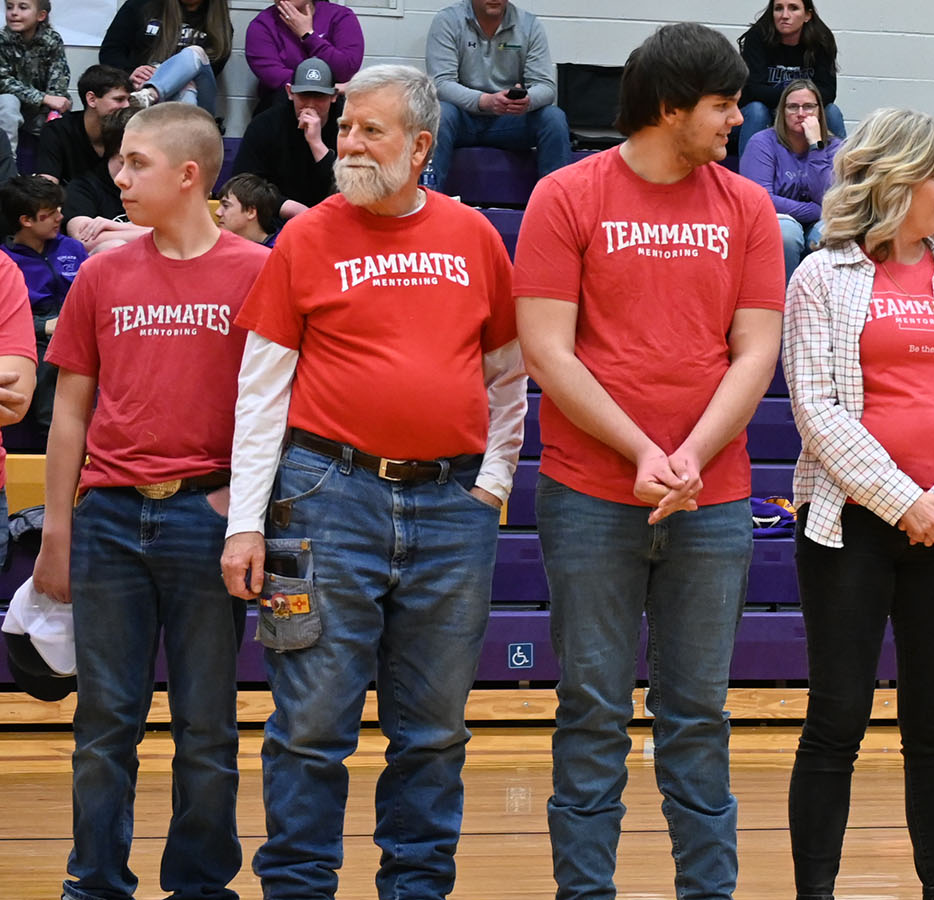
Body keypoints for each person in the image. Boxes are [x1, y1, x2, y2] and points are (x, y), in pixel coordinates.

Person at [219, 63, 526, 898]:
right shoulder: (309, 235)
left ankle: (418, 887)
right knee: (311, 727)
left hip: (451, 508)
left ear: (421, 146)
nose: (347, 142)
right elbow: (260, 394)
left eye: (368, 131)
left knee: (432, 733)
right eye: (346, 127)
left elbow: (507, 377)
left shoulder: (474, 239)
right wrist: (246, 523)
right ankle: (297, 887)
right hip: (326, 499)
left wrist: (493, 483)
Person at [511, 23, 780, 897]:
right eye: (723, 104)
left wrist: (692, 456)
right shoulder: (566, 194)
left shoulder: (747, 209)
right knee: (591, 711)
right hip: (589, 493)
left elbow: (756, 352)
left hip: (715, 496)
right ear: (670, 108)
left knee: (697, 714)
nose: (738, 119)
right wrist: (641, 451)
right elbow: (548, 350)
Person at [34, 101, 265, 900]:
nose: (119, 177)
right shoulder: (101, 274)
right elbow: (70, 409)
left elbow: (282, 401)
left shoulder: (255, 273)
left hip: (205, 522)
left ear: (188, 174)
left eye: (135, 163)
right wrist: (57, 531)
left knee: (207, 727)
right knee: (105, 726)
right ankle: (93, 882)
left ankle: (201, 884)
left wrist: (240, 501)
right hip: (109, 521)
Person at [783, 106, 934, 900]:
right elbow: (816, 410)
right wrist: (900, 502)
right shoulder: (820, 277)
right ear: (898, 179)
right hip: (847, 527)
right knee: (835, 722)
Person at [423, 0, 569, 191]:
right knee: (440, 114)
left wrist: (527, 100)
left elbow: (546, 87)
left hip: (510, 120)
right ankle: (427, 203)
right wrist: (484, 101)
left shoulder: (529, 25)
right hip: (462, 119)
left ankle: (557, 204)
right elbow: (440, 84)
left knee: (553, 117)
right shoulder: (448, 21)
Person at [2, 174, 81, 432]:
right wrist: (45, 326)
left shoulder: (72, 248)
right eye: (50, 213)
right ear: (25, 221)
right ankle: (51, 438)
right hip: (36, 330)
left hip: (79, 323)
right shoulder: (6, 261)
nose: (60, 217)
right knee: (48, 357)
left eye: (60, 209)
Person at [740, 79, 837, 277]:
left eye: (808, 107)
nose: (801, 114)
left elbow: (831, 198)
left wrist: (815, 146)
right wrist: (814, 210)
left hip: (819, 221)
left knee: (831, 234)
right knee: (786, 235)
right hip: (776, 219)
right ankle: (782, 305)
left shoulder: (834, 147)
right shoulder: (762, 143)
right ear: (782, 112)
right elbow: (761, 198)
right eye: (793, 107)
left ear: (820, 111)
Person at [227, 55, 338, 219]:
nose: (311, 104)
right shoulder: (265, 124)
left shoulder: (347, 127)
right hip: (274, 219)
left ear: (333, 96)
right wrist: (285, 206)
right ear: (290, 92)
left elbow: (351, 191)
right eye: (304, 95)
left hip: (331, 219)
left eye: (320, 96)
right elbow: (242, 184)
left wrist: (317, 145)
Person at [736, 0, 843, 153]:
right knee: (756, 111)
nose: (784, 15)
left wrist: (800, 105)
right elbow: (752, 90)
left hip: (802, 109)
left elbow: (828, 92)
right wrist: (794, 100)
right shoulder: (758, 36)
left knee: (831, 112)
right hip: (765, 109)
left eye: (793, 8)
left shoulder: (821, 39)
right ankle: (748, 173)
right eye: (778, 8)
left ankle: (841, 172)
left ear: (807, 15)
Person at [98, 0, 232, 111]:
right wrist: (131, 73)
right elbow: (110, 51)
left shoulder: (220, 25)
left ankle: (151, 93)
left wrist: (160, 75)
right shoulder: (141, 5)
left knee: (195, 55)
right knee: (187, 94)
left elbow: (211, 70)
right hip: (139, 89)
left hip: (196, 98)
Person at [63, 107, 150, 256]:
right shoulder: (82, 188)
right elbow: (86, 241)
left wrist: (113, 227)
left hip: (159, 267)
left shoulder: (159, 183)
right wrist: (160, 233)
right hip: (109, 269)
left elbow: (187, 230)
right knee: (113, 247)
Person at [243, 0, 361, 103]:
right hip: (282, 103)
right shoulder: (262, 25)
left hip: (331, 104)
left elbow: (346, 69)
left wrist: (308, 35)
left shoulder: (340, 16)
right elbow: (275, 78)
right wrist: (330, 87)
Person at [33, 66, 132, 186]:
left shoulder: (130, 132)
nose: (127, 106)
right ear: (91, 99)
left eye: (129, 100)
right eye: (119, 99)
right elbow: (47, 185)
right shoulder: (57, 131)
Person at [0, 0, 71, 167]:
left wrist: (53, 106)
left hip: (39, 111)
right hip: (10, 109)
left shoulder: (51, 40)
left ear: (41, 15)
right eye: (9, 7)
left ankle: (51, 175)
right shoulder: (2, 40)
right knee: (8, 103)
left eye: (22, 7)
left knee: (61, 113)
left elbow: (59, 81)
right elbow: (2, 81)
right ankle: (7, 168)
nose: (14, 12)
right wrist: (43, 97)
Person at [216, 171, 283, 244]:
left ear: (250, 212)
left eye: (226, 206)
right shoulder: (219, 245)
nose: (217, 212)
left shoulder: (279, 251)